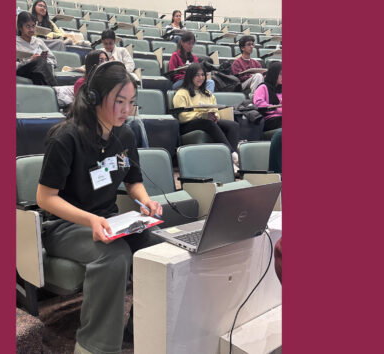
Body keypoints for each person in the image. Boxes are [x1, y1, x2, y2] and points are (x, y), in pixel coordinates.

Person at [36, 61, 163, 354]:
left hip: (108, 220)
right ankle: (95, 346)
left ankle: (140, 325)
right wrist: (91, 220)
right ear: (95, 97)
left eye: (131, 102)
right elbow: (45, 198)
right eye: (119, 101)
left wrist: (145, 200)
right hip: (64, 227)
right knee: (113, 255)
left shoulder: (126, 135)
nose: (126, 109)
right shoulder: (65, 137)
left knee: (157, 248)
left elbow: (133, 182)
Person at [173, 63, 240, 171]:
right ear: (190, 76)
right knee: (207, 123)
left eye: (202, 75)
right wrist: (202, 115)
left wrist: (215, 115)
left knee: (233, 125)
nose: (201, 78)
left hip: (207, 122)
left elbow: (215, 109)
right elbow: (182, 117)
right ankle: (232, 155)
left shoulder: (208, 93)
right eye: (197, 75)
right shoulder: (181, 93)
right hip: (188, 124)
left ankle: (229, 163)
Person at [16, 11, 58, 86]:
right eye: (28, 26)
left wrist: (45, 61)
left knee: (38, 74)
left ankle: (47, 93)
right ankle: (55, 89)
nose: (31, 29)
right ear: (20, 28)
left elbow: (53, 60)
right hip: (21, 71)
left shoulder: (39, 41)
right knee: (39, 62)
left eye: (33, 26)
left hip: (38, 70)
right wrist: (30, 61)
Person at [253, 61, 282, 131]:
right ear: (274, 74)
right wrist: (276, 109)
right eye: (281, 74)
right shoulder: (263, 87)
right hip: (270, 120)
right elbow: (259, 104)